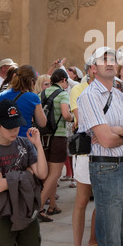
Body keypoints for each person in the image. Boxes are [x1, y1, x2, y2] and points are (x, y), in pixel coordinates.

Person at [77, 47, 123, 246]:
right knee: (110, 241)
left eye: (113, 59)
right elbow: (104, 140)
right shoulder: (88, 96)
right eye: (103, 59)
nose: (110, 62)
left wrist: (118, 131)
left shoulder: (121, 96)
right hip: (106, 168)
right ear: (93, 68)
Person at [0, 100, 48, 246]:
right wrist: (27, 174)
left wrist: (38, 144)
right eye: (9, 127)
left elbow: (42, 173)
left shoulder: (24, 143)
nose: (15, 130)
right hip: (0, 215)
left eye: (17, 125)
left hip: (27, 209)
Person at [66, 58, 98, 246]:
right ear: (89, 70)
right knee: (81, 201)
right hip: (87, 151)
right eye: (95, 66)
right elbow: (81, 119)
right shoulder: (79, 89)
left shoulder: (115, 88)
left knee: (103, 201)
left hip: (108, 151)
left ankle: (93, 239)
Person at [38, 69, 74, 222]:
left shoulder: (42, 94)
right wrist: (73, 118)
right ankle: (38, 208)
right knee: (55, 174)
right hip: (58, 137)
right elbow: (66, 115)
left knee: (48, 173)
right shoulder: (63, 94)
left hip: (43, 137)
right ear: (64, 81)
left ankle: (52, 205)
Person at [0, 65, 47, 138]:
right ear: (32, 81)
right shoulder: (33, 98)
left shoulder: (2, 95)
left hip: (5, 141)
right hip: (24, 140)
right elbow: (42, 123)